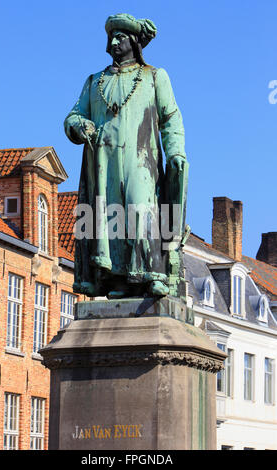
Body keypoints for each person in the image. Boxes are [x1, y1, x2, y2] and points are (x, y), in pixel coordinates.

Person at [64, 13, 187, 298]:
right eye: (112, 37)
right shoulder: (95, 81)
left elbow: (171, 118)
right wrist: (78, 125)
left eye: (121, 36)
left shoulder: (155, 77)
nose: (115, 41)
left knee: (141, 208)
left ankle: (150, 275)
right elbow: (74, 115)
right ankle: (116, 279)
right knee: (109, 217)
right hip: (102, 162)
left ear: (134, 42)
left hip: (142, 158)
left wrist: (176, 151)